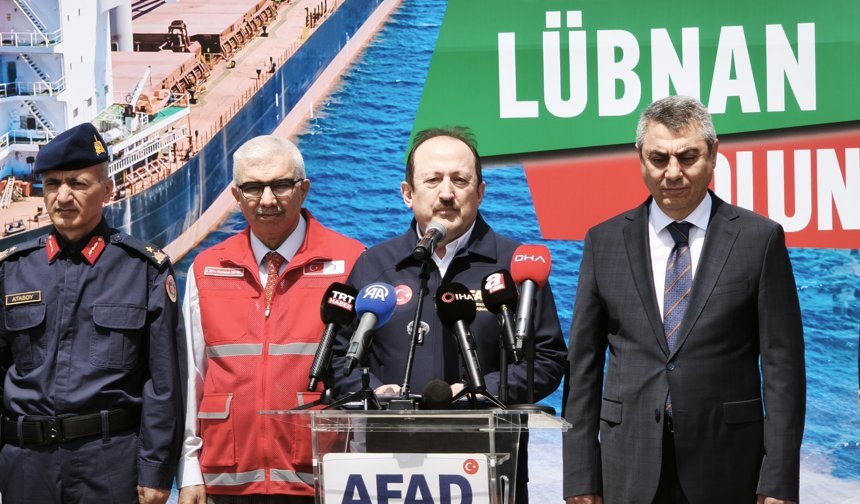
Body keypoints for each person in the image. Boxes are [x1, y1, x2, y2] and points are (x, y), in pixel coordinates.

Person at [562, 96, 806, 504]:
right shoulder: (603, 242)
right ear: (640, 158)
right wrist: (581, 477)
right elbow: (583, 368)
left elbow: (783, 369)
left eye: (687, 157)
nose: (672, 172)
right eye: (659, 159)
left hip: (728, 468)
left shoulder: (758, 239)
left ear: (713, 154)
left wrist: (778, 481)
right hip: (628, 467)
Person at [330, 126, 567, 502]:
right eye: (433, 180)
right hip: (389, 473)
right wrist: (374, 392)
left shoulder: (515, 267)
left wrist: (480, 394)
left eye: (460, 180)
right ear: (407, 193)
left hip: (489, 470)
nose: (446, 193)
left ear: (481, 192)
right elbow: (340, 360)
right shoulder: (374, 266)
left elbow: (548, 361)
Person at [0, 122, 185, 503]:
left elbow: (164, 383)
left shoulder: (144, 269)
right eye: (53, 184)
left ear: (108, 188)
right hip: (25, 465)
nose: (63, 196)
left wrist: (156, 471)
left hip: (109, 465)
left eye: (78, 183)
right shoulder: (12, 270)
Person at [177, 135, 365, 503]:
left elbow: (362, 374)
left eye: (280, 185)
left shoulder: (353, 262)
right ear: (235, 195)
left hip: (321, 479)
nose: (266, 200)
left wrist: (358, 469)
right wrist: (188, 469)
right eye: (252, 187)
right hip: (223, 481)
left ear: (304, 189)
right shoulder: (206, 268)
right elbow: (191, 377)